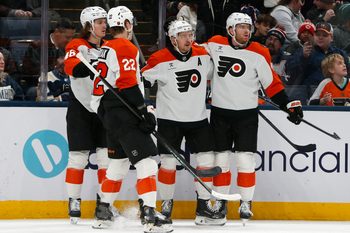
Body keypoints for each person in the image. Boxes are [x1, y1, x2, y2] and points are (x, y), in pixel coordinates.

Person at [205, 12, 303, 224]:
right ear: (231, 29)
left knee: (244, 159)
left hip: (246, 115)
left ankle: (246, 203)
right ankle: (220, 203)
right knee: (220, 160)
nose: (246, 31)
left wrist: (288, 104)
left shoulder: (259, 52)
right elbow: (192, 55)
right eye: (241, 27)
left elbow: (272, 83)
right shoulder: (214, 44)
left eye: (248, 27)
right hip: (220, 113)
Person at [89, 6, 171, 233]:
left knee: (118, 165)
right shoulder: (125, 46)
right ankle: (150, 216)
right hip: (123, 112)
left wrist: (110, 116)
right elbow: (127, 83)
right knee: (147, 163)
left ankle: (103, 212)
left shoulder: (105, 49)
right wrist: (142, 111)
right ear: (126, 24)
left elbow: (97, 96)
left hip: (110, 113)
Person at [141, 19, 224, 226]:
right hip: (170, 121)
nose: (189, 39)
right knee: (168, 164)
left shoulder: (203, 55)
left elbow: (218, 76)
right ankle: (166, 205)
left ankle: (204, 207)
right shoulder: (159, 59)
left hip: (198, 119)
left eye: (190, 35)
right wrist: (146, 106)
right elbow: (140, 80)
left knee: (206, 161)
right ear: (173, 39)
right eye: (184, 36)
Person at [63, 6, 110, 225]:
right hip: (80, 108)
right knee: (78, 157)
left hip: (102, 108)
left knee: (105, 158)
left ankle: (104, 203)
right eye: (99, 22)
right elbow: (70, 66)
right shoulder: (77, 45)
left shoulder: (109, 47)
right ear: (89, 25)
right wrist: (87, 67)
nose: (104, 25)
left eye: (105, 21)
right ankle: (74, 201)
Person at [285, 21, 349, 101]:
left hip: (336, 94)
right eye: (317, 34)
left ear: (331, 37)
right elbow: (289, 71)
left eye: (324, 35)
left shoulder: (339, 53)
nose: (320, 37)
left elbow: (347, 73)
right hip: (309, 95)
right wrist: (303, 57)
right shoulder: (304, 51)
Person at [22, 17, 75, 100]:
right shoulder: (37, 46)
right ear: (57, 32)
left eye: (72, 37)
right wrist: (55, 67)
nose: (70, 40)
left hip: (63, 84)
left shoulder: (69, 48)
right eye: (67, 37)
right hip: (42, 85)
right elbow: (29, 71)